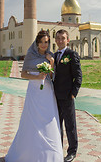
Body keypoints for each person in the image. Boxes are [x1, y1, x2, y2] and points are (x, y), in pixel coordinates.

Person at [5, 30, 63, 162]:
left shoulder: (50, 56)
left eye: (46, 42)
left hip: (47, 92)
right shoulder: (30, 55)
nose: (44, 45)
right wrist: (36, 77)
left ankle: (50, 155)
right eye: (41, 42)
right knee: (32, 119)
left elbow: (53, 76)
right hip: (34, 91)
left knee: (48, 119)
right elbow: (23, 74)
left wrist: (52, 62)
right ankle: (29, 154)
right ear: (37, 43)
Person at [54, 29, 82, 162]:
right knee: (57, 125)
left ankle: (72, 152)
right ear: (55, 40)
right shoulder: (54, 56)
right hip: (54, 97)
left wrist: (73, 94)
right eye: (58, 38)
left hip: (67, 96)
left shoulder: (72, 54)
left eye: (62, 38)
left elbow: (78, 76)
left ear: (67, 40)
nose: (60, 41)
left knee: (70, 126)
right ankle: (58, 149)